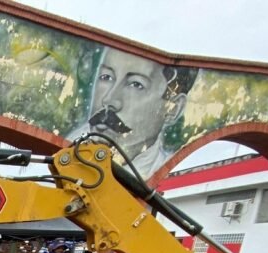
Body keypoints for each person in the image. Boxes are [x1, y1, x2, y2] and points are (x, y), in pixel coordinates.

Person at [68, 48, 198, 178]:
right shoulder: (65, 149)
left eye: (136, 84)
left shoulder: (169, 179)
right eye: (106, 77)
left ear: (172, 108)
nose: (109, 100)